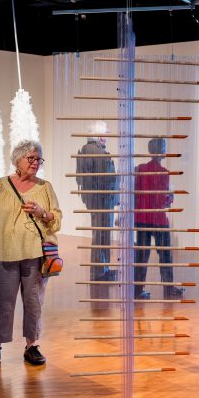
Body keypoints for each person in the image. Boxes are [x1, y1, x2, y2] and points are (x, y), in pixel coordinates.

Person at [0, 140, 62, 370]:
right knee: (2, 302)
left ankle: (32, 345)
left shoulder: (45, 187)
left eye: (38, 159)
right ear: (17, 160)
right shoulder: (1, 186)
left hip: (35, 254)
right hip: (4, 252)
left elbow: (57, 219)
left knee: (34, 302)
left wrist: (43, 213)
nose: (35, 163)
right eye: (30, 158)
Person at [133, 138, 182, 300]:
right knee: (165, 255)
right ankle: (168, 289)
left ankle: (137, 290)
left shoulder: (138, 170)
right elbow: (162, 201)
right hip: (158, 220)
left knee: (141, 256)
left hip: (141, 219)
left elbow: (134, 195)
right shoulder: (163, 173)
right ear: (161, 151)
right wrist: (171, 197)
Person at [76, 122, 118, 301]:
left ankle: (102, 269)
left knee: (99, 234)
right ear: (99, 136)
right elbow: (104, 179)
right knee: (102, 235)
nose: (107, 137)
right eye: (105, 134)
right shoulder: (97, 152)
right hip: (102, 201)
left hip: (96, 201)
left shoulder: (84, 150)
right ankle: (100, 271)